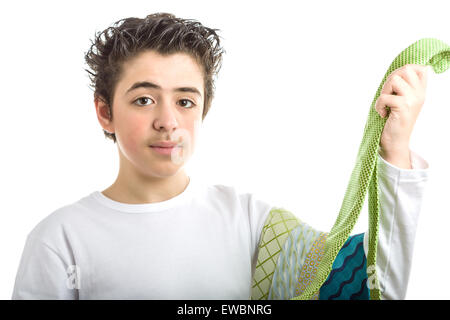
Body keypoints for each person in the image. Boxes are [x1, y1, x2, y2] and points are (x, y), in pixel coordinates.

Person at [11, 12, 429, 300]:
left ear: (204, 109)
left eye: (186, 102)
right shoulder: (59, 239)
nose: (167, 122)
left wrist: (393, 149)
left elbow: (374, 286)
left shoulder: (251, 223)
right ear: (105, 111)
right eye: (143, 100)